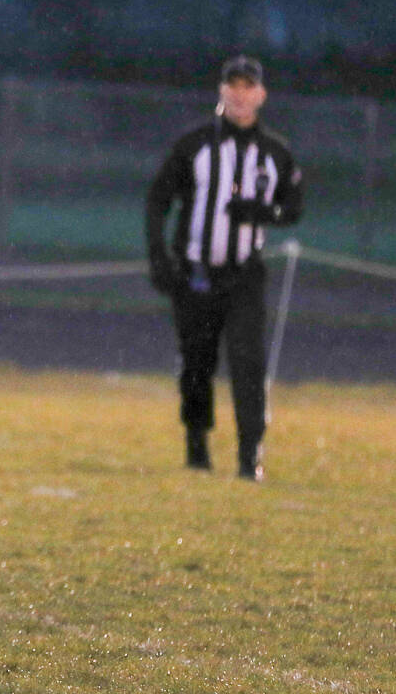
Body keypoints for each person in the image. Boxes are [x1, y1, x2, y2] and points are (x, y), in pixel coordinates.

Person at [144, 55, 304, 481]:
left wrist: (259, 212)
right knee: (197, 361)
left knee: (249, 363)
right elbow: (158, 199)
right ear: (221, 91)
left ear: (261, 94)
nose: (239, 93)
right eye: (232, 85)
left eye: (247, 86)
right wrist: (160, 257)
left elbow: (293, 208)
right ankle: (197, 448)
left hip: (244, 273)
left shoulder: (275, 151)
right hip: (196, 272)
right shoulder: (194, 145)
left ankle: (250, 457)